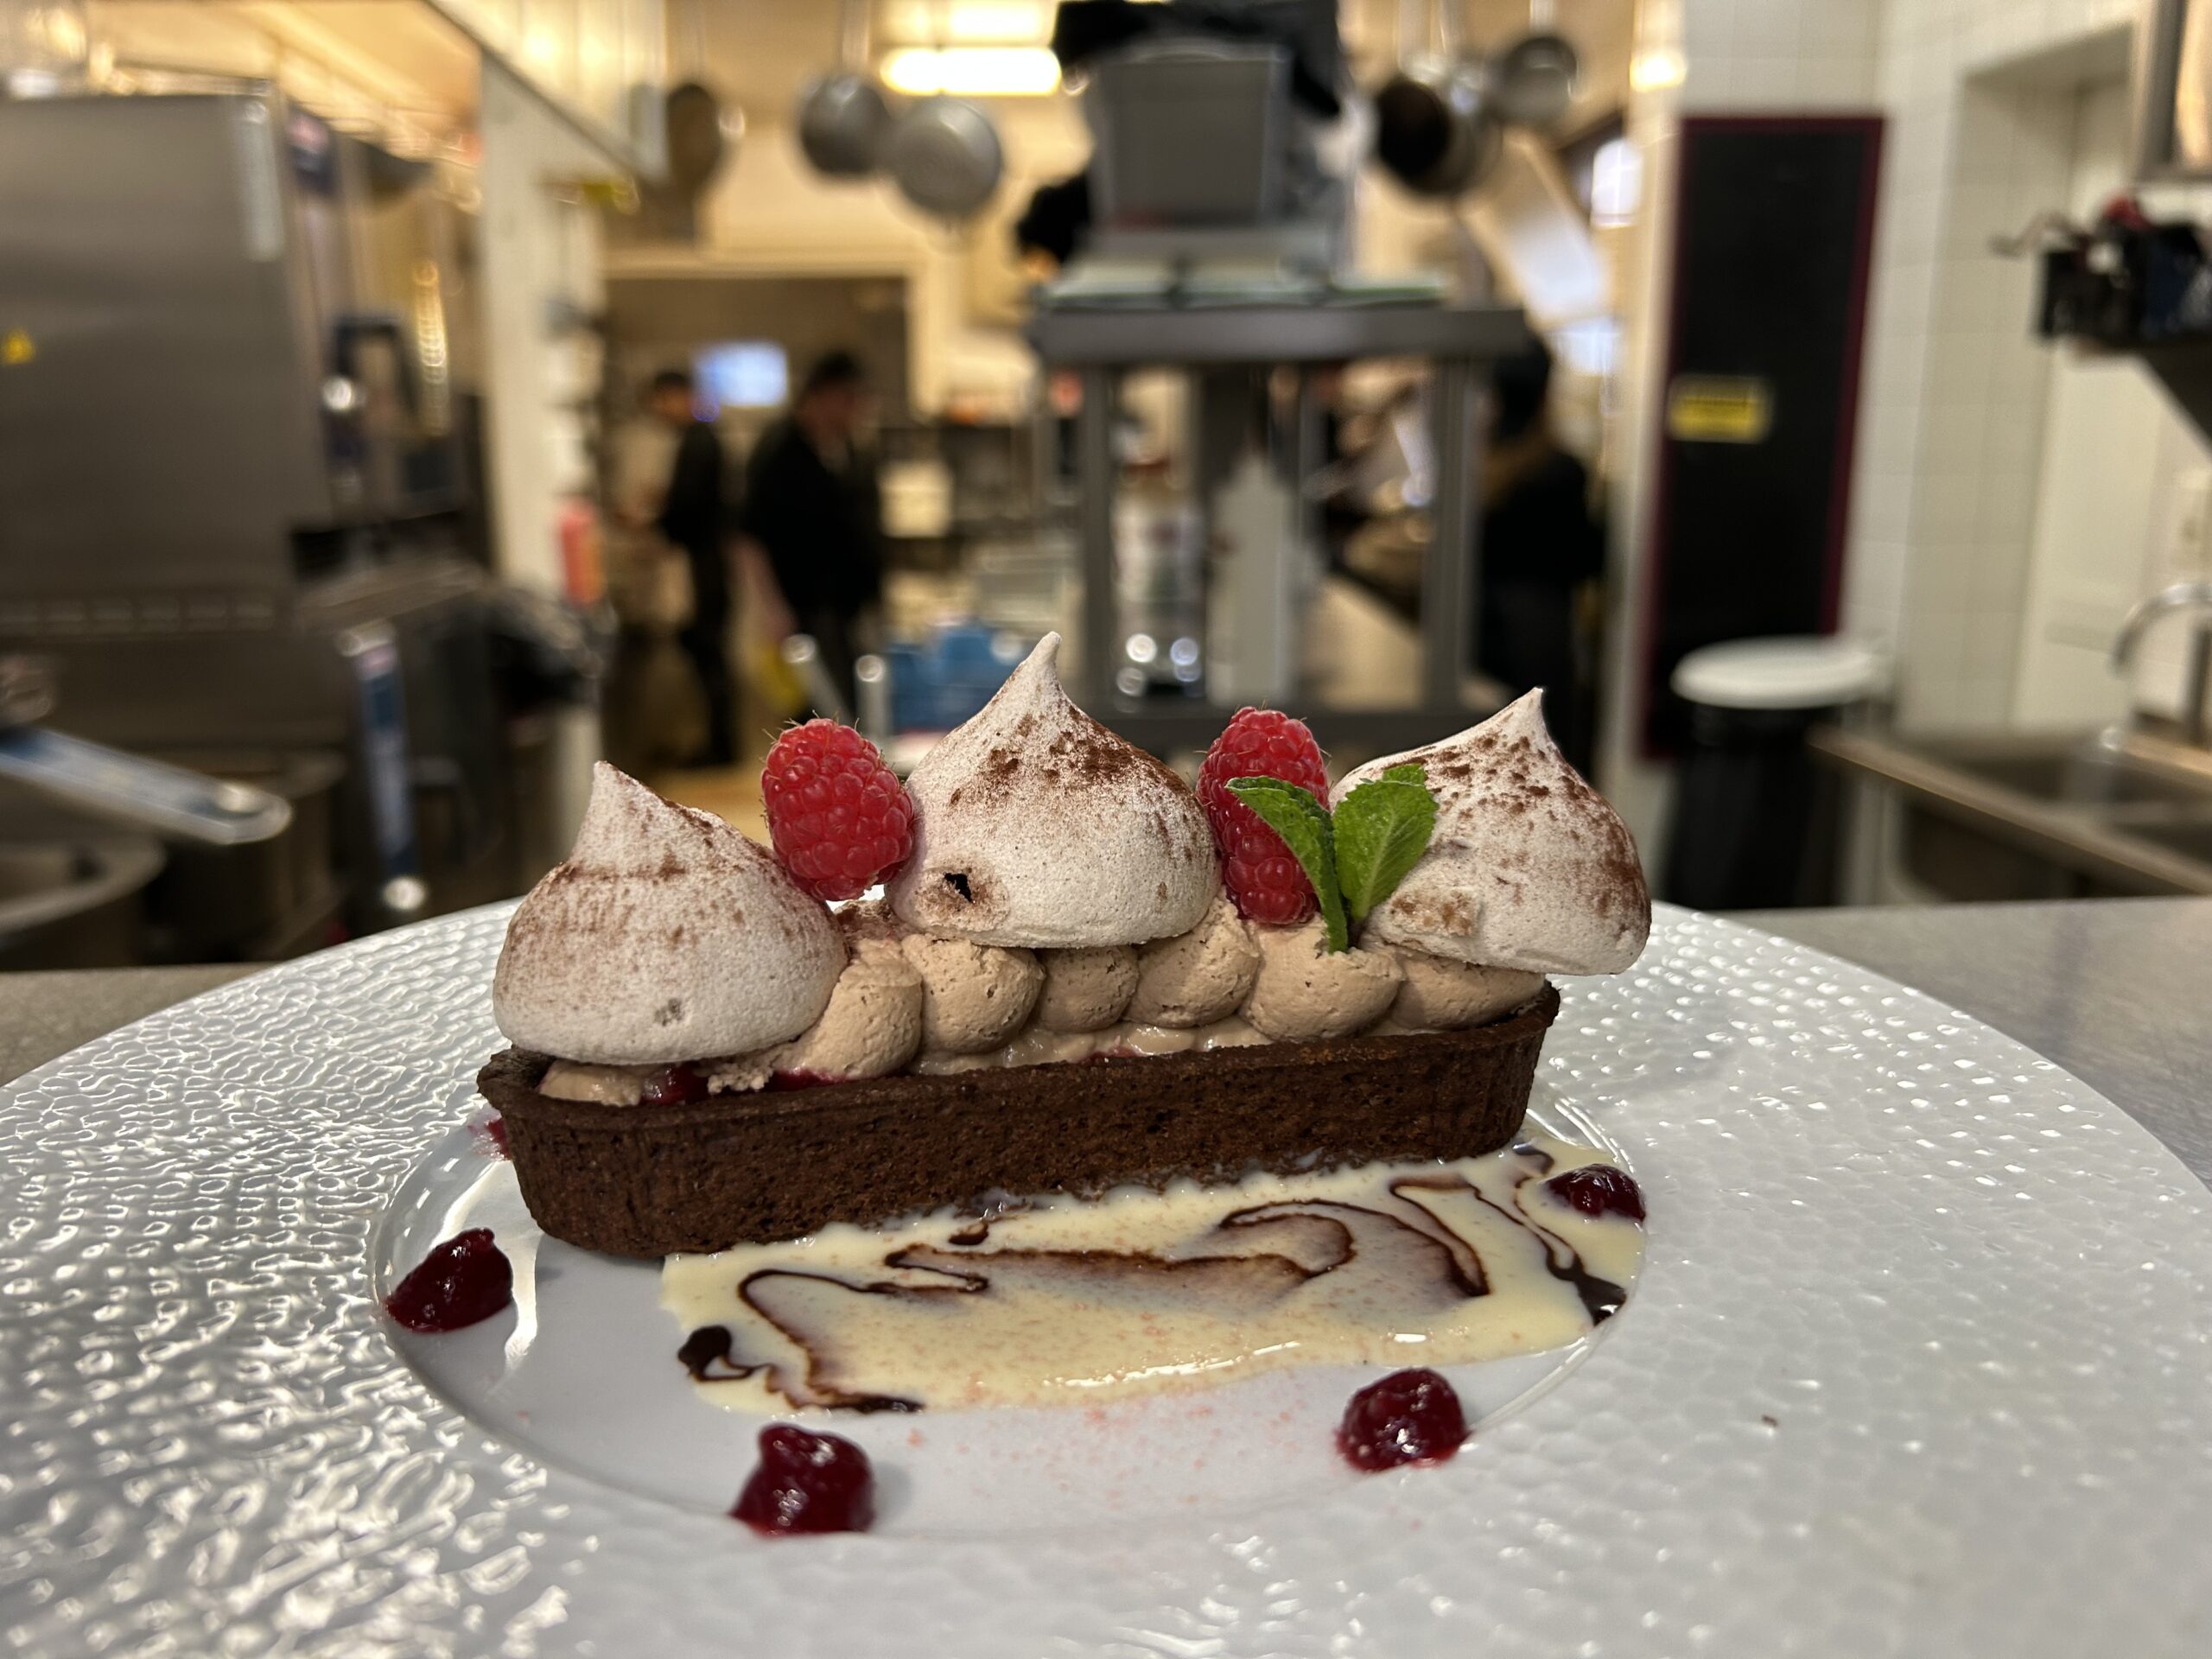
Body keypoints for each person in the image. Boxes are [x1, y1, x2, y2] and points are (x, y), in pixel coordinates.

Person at [1472, 335, 1605, 774]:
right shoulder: (1560, 469)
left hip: (1485, 629)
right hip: (1539, 630)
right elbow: (1585, 558)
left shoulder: (1481, 472)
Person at [737, 351, 885, 713]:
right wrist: (772, 608)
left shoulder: (846, 449)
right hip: (801, 605)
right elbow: (747, 537)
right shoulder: (779, 450)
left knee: (849, 704)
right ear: (822, 395)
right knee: (817, 710)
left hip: (843, 604)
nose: (856, 411)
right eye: (849, 399)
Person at [645, 368, 739, 766]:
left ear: (680, 396)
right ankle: (718, 743)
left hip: (705, 565)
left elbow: (690, 509)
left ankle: (719, 746)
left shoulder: (699, 441)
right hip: (709, 562)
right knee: (709, 655)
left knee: (709, 655)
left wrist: (654, 522)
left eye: (662, 400)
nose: (659, 410)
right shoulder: (702, 438)